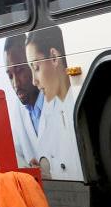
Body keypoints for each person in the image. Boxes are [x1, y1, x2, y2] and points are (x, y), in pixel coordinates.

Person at [27, 24, 83, 180]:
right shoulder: (50, 112)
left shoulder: (80, 102)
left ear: (54, 57)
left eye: (36, 68)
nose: (34, 81)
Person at [3, 33, 45, 171]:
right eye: (10, 76)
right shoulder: (18, 110)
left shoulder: (54, 100)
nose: (15, 83)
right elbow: (18, 154)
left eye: (20, 70)